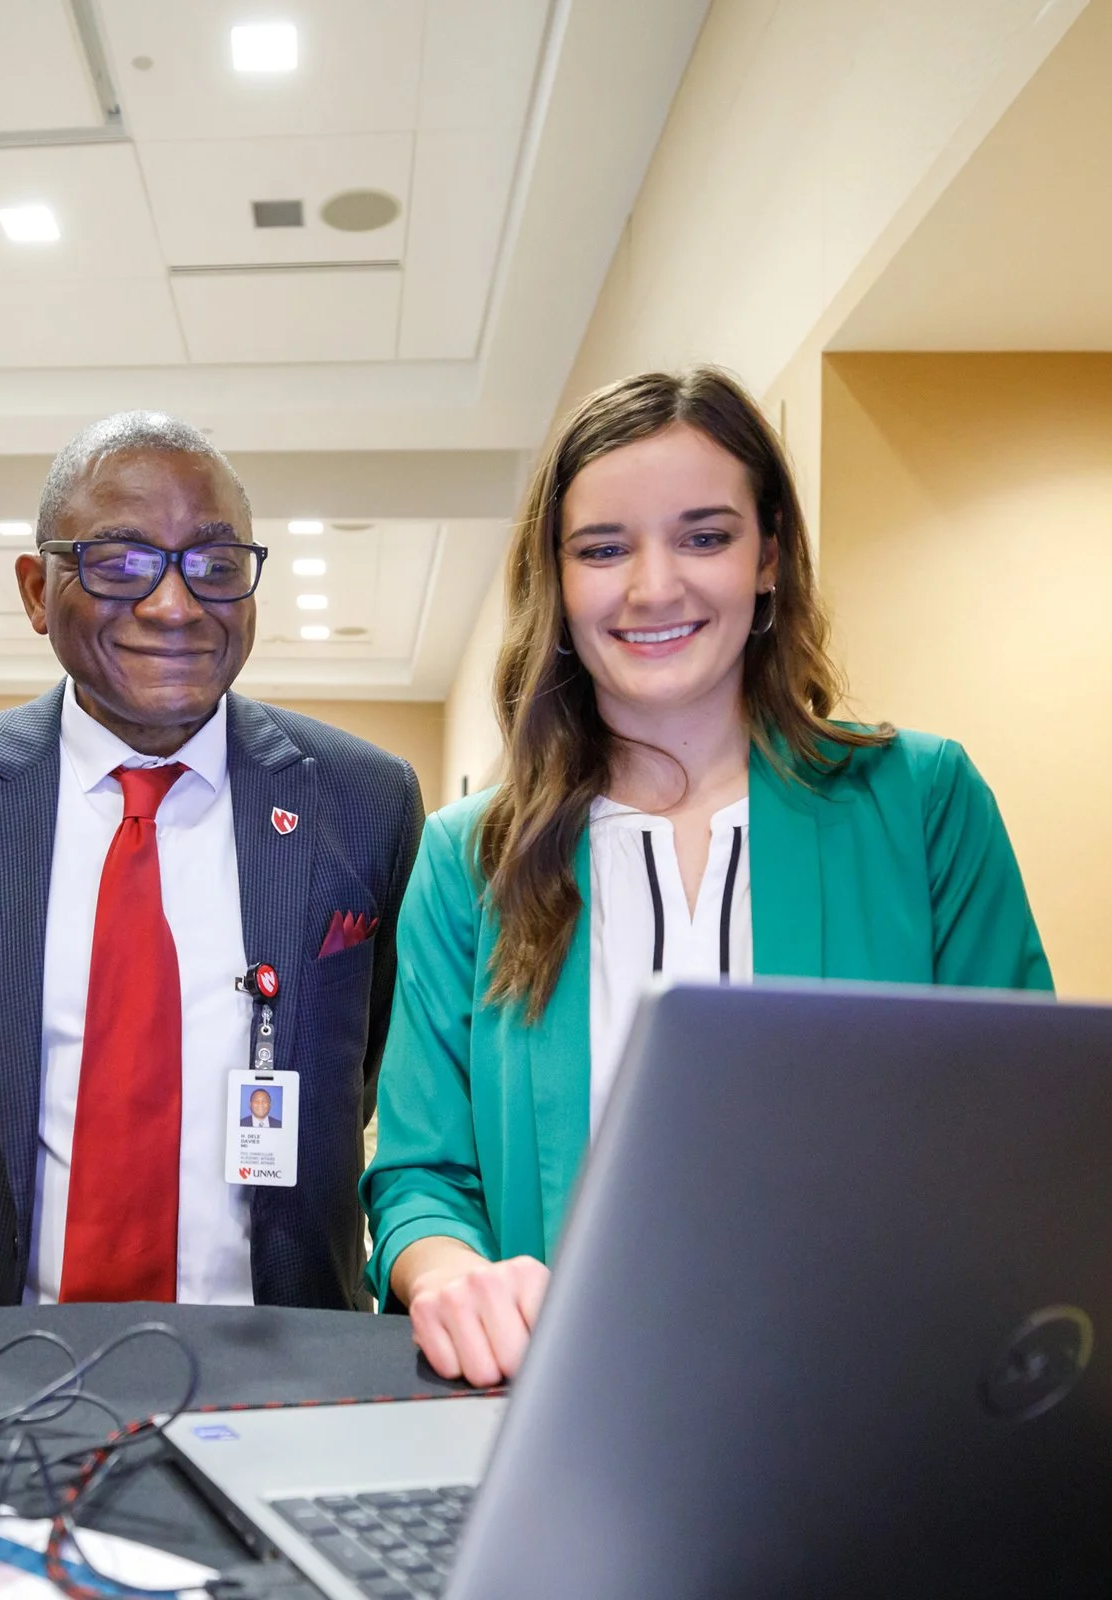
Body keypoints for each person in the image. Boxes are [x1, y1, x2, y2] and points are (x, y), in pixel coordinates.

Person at [365, 368, 1051, 1389]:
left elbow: (1022, 1125)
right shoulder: (472, 857)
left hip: (869, 1398)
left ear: (768, 557)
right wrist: (448, 1273)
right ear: (555, 581)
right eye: (603, 548)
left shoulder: (919, 802)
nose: (652, 587)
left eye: (703, 535)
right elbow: (420, 1173)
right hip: (553, 1399)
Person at [0, 412, 425, 1312]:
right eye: (118, 561)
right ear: (38, 590)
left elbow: (359, 1075)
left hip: (284, 1354)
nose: (173, 604)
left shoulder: (364, 800)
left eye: (216, 563)